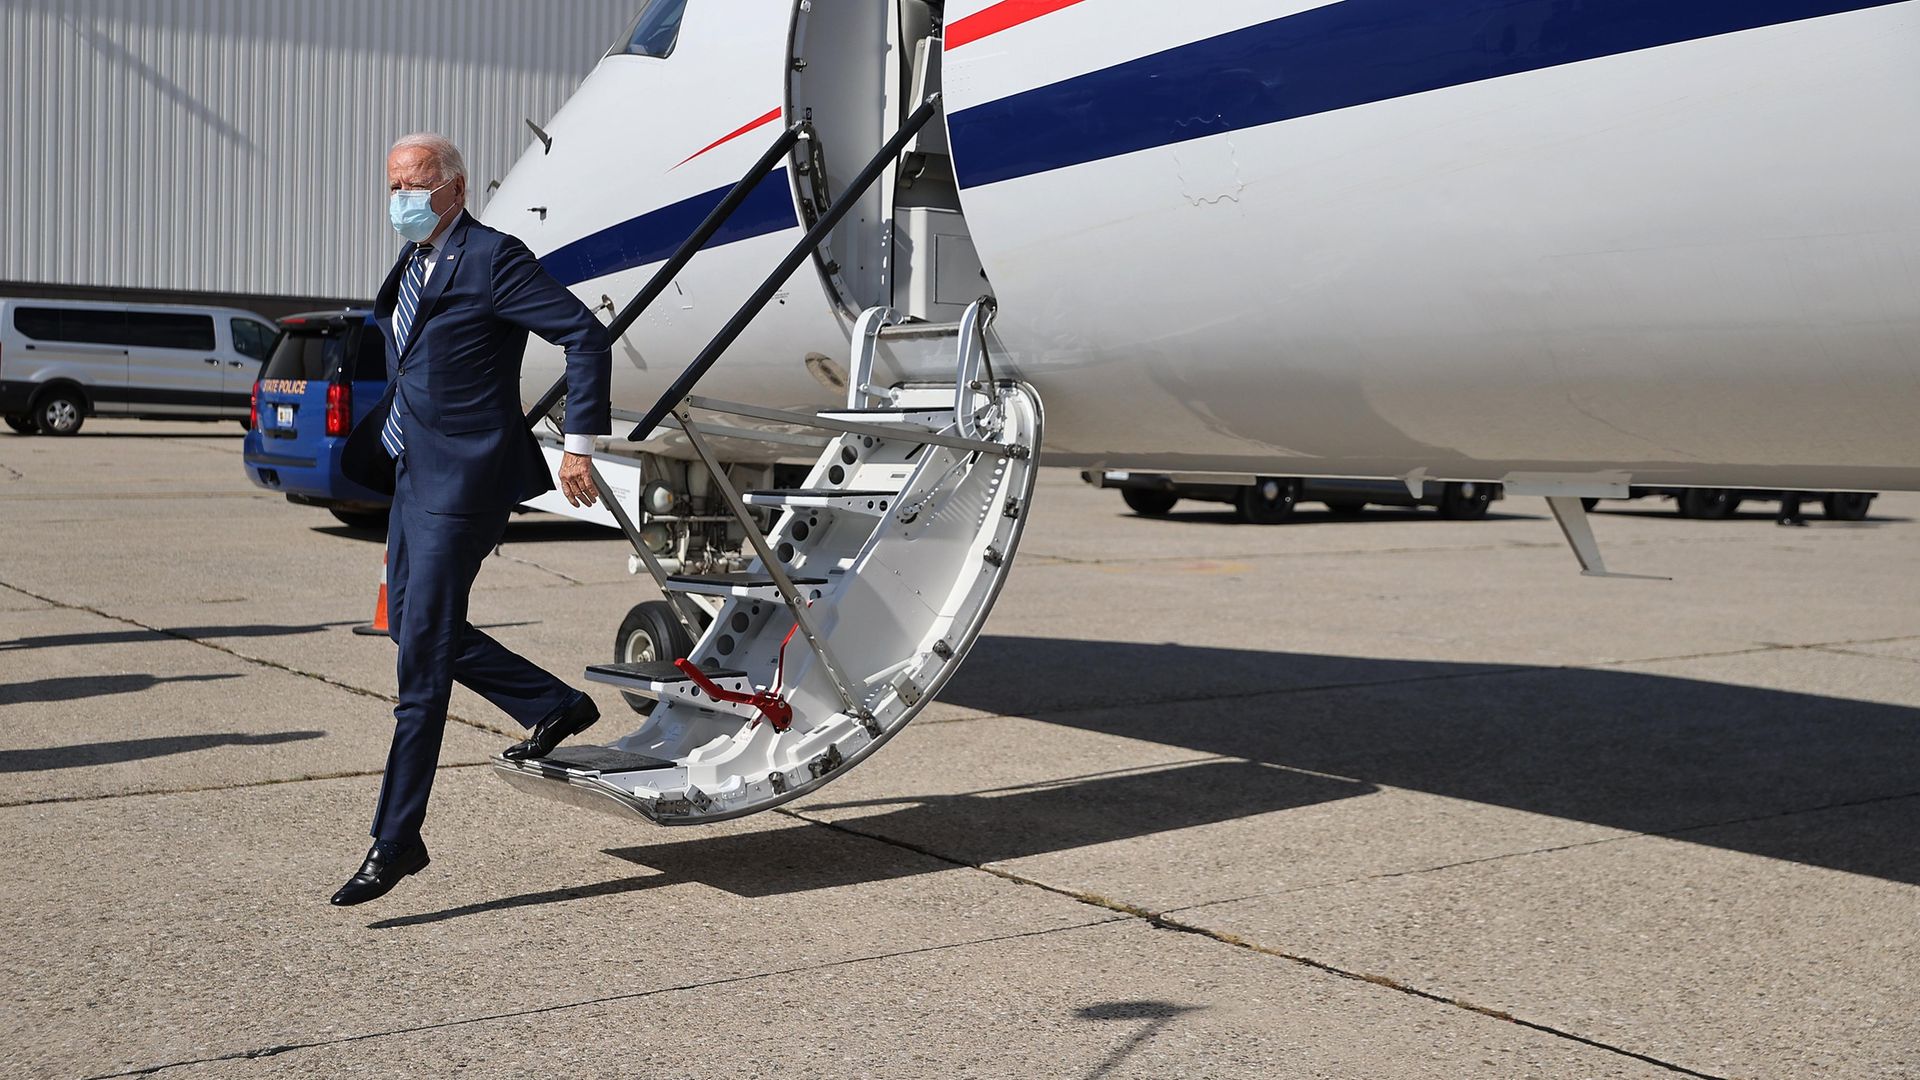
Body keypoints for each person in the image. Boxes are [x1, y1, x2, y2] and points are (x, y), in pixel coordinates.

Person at [330, 133, 613, 906]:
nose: (400, 197)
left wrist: (579, 450)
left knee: (419, 663)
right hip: (413, 470)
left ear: (453, 187)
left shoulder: (494, 256)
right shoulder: (418, 258)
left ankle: (396, 839)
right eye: (392, 183)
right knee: (408, 631)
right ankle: (553, 703)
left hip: (466, 481)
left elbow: (584, 335)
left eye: (414, 183)